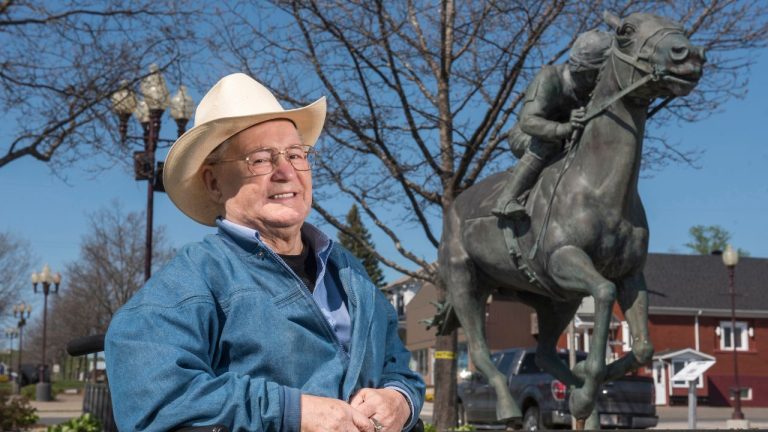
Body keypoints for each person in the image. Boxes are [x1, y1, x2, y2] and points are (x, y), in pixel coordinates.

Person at [105, 73, 425, 432]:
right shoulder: (197, 277)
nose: (286, 171)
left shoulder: (349, 272)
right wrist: (293, 413)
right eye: (261, 159)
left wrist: (400, 399)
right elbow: (151, 398)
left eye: (295, 154)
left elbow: (396, 365)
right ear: (213, 182)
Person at [493, 30, 612, 219]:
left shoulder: (593, 90)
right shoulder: (549, 78)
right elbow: (528, 121)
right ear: (583, 69)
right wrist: (563, 129)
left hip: (569, 139)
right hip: (529, 136)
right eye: (596, 74)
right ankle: (507, 199)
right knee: (549, 143)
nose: (599, 79)